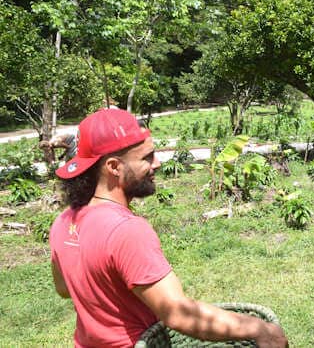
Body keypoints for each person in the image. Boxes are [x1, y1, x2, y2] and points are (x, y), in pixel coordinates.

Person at [49, 108, 287, 348]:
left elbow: (63, 288)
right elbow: (178, 313)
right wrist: (259, 330)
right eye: (147, 157)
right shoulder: (126, 230)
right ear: (114, 167)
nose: (158, 163)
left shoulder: (63, 222)